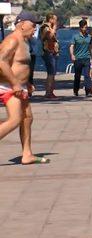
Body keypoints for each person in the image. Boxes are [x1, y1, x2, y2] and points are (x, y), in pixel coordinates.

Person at [0, 11, 50, 164]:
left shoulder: (24, 42)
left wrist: (26, 83)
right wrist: (15, 83)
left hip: (19, 86)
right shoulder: (12, 40)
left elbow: (19, 65)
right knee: (15, 119)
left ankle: (27, 154)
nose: (35, 28)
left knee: (27, 118)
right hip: (9, 86)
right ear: (21, 24)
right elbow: (1, 62)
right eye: (33, 25)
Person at [69, 19, 92, 97]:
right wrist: (72, 55)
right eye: (84, 27)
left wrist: (91, 56)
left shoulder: (89, 37)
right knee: (77, 76)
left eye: (86, 27)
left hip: (86, 58)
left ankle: (88, 91)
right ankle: (76, 90)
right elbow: (71, 46)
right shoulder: (75, 37)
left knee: (87, 75)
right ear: (80, 28)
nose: (85, 29)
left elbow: (90, 47)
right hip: (78, 59)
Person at [40, 13, 60, 98]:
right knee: (51, 73)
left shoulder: (50, 28)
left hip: (52, 52)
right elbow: (49, 36)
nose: (56, 22)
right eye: (55, 19)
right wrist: (54, 28)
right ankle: (48, 92)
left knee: (52, 73)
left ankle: (51, 91)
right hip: (48, 52)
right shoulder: (45, 28)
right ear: (51, 19)